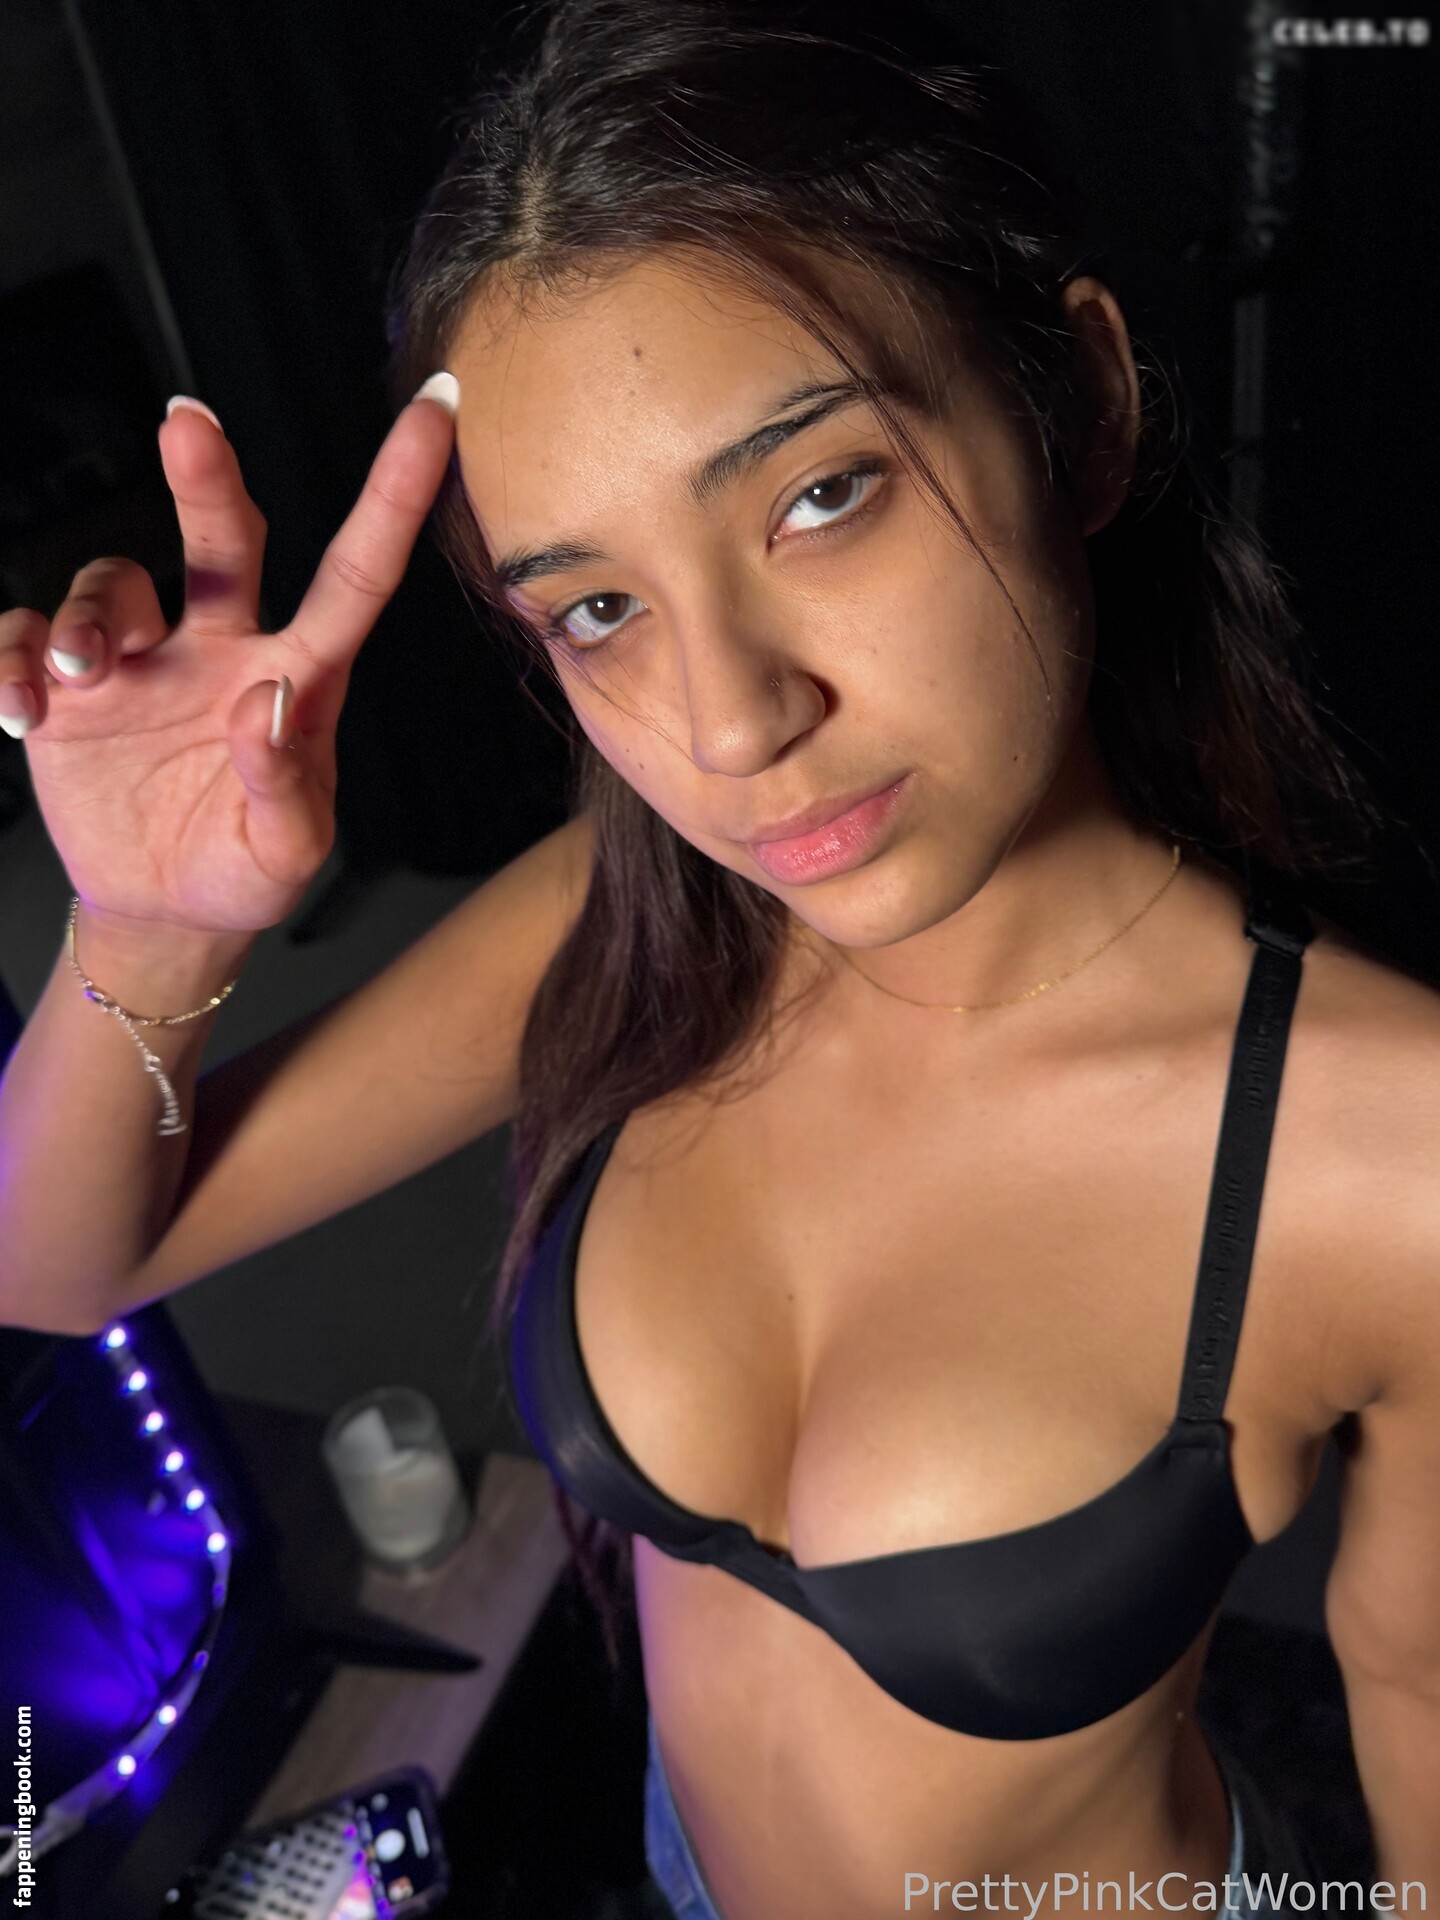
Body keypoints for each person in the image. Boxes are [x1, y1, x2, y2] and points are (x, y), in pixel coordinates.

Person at [2, 1, 1438, 1914]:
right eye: (598, 609)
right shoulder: (637, 917)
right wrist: (153, 926)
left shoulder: (1387, 1149)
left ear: (1081, 403)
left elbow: (1419, 1692)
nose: (734, 724)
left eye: (823, 494)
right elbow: (55, 1264)